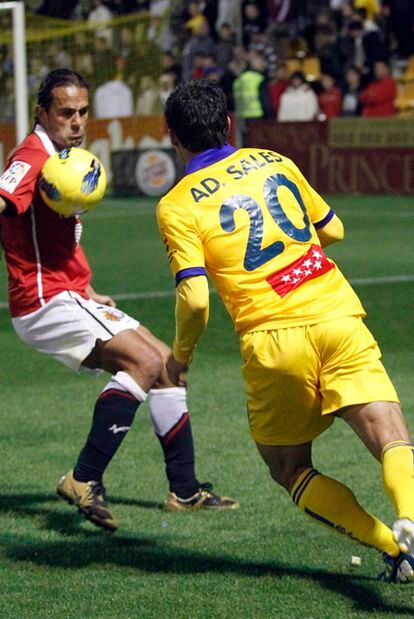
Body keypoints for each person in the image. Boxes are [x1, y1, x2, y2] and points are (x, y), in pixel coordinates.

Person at [157, 79, 414, 583]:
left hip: (273, 338)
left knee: (289, 468)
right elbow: (332, 229)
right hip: (337, 313)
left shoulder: (177, 204)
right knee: (392, 437)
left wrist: (180, 356)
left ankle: (394, 549)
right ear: (228, 124)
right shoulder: (274, 160)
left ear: (174, 138)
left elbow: (195, 298)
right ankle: (410, 514)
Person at [0, 69, 239, 533]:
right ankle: (83, 478)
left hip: (67, 293)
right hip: (44, 301)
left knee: (169, 365)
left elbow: (55, 234)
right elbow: (6, 201)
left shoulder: (64, 156)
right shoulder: (33, 156)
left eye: (83, 112)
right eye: (66, 112)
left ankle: (184, 491)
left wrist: (84, 284)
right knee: (143, 366)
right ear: (42, 113)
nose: (77, 121)